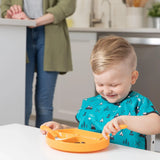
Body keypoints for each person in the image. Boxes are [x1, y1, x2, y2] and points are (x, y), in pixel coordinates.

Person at [40, 35, 160, 149]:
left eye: (114, 85)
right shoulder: (90, 105)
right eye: (100, 84)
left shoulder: (138, 103)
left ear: (132, 77)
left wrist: (125, 121)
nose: (107, 91)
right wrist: (62, 129)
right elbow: (83, 133)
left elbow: (157, 125)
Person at [0, 0, 76, 128]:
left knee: (44, 104)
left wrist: (34, 22)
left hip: (51, 34)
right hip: (19, 33)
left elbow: (67, 5)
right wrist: (10, 14)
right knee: (22, 101)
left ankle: (45, 140)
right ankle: (19, 141)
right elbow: (4, 6)